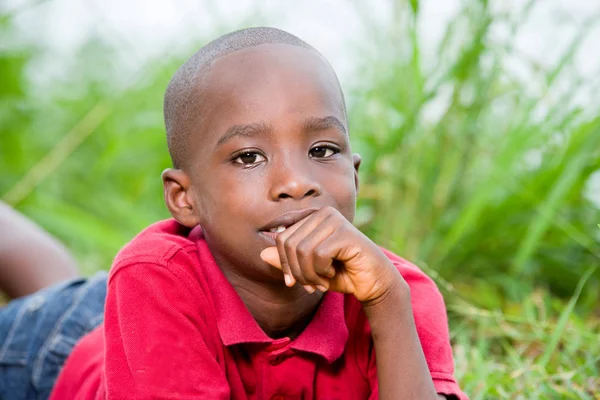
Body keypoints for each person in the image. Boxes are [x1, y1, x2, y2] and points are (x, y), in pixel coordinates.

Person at [0, 27, 468, 399]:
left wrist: (388, 306)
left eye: (322, 149)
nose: (295, 182)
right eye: (249, 157)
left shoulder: (394, 293)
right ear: (185, 198)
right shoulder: (152, 278)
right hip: (52, 357)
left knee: (52, 273)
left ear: (355, 175)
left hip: (129, 323)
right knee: (51, 292)